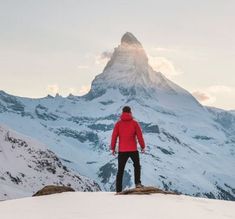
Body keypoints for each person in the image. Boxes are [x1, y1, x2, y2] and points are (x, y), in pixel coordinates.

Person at [110, 106, 146, 193]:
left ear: (122, 113)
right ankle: (137, 183)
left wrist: (113, 148)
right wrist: (142, 146)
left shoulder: (118, 124)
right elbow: (139, 136)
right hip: (133, 149)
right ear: (130, 112)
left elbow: (114, 136)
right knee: (137, 166)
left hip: (122, 151)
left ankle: (118, 190)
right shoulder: (135, 123)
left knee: (120, 170)